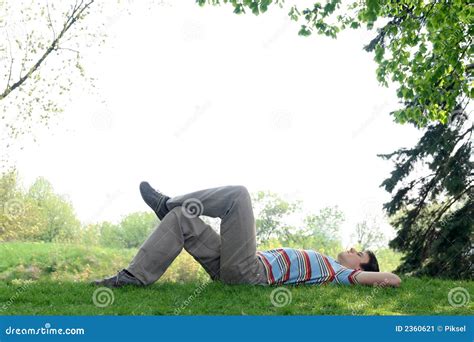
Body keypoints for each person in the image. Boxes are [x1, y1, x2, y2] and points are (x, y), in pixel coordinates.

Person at [93, 183, 401, 288]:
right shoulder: (331, 267)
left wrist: (379, 278)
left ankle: (166, 203)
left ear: (359, 268)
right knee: (181, 218)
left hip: (248, 271)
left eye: (359, 253)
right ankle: (133, 276)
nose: (352, 248)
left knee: (238, 196)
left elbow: (394, 279)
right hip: (233, 264)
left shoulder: (341, 274)